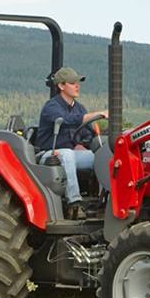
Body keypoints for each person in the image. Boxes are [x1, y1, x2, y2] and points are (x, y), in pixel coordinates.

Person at [35, 66, 108, 220]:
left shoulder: (79, 108)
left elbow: (87, 133)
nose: (77, 85)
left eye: (78, 82)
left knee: (102, 156)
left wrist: (84, 144)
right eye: (72, 82)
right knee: (67, 154)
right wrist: (96, 114)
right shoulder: (52, 107)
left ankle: (105, 200)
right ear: (61, 86)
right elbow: (67, 121)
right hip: (49, 154)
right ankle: (74, 203)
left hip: (73, 154)